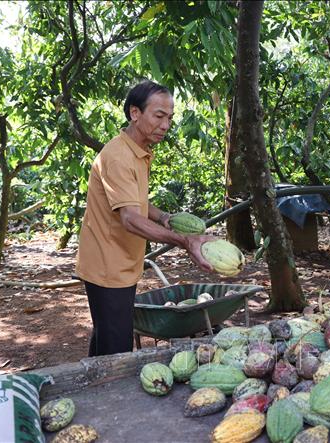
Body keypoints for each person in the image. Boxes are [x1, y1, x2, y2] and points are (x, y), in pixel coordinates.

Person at [75, 80, 214, 357]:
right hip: (108, 268)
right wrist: (185, 241)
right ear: (135, 113)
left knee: (106, 338)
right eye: (159, 116)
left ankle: (92, 392)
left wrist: (165, 217)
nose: (165, 125)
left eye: (169, 118)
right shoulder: (118, 157)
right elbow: (129, 218)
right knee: (116, 351)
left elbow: (135, 200)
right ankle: (108, 397)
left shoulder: (137, 151)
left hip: (120, 263)